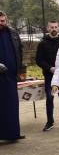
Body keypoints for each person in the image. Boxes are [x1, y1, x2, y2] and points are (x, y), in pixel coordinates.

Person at [36, 20, 59, 131]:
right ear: (48, 28)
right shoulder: (42, 43)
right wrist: (50, 68)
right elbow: (39, 60)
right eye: (52, 27)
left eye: (56, 27)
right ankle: (50, 121)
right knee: (50, 98)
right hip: (49, 75)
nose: (54, 29)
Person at [0, 11, 25, 141]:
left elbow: (19, 51)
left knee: (12, 106)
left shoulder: (13, 33)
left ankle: (13, 134)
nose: (1, 23)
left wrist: (20, 69)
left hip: (10, 77)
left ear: (6, 20)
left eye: (3, 21)